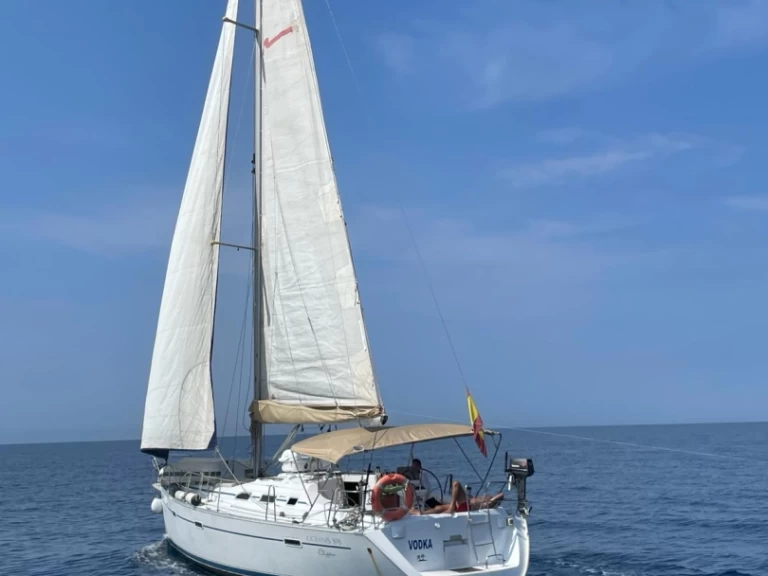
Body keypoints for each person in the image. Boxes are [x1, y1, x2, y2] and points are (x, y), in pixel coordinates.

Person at [410, 481, 504, 515]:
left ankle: (451, 507)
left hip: (467, 506)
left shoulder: (489, 503)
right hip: (464, 504)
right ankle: (420, 513)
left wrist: (494, 499)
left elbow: (501, 495)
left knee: (456, 484)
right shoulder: (484, 498)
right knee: (438, 508)